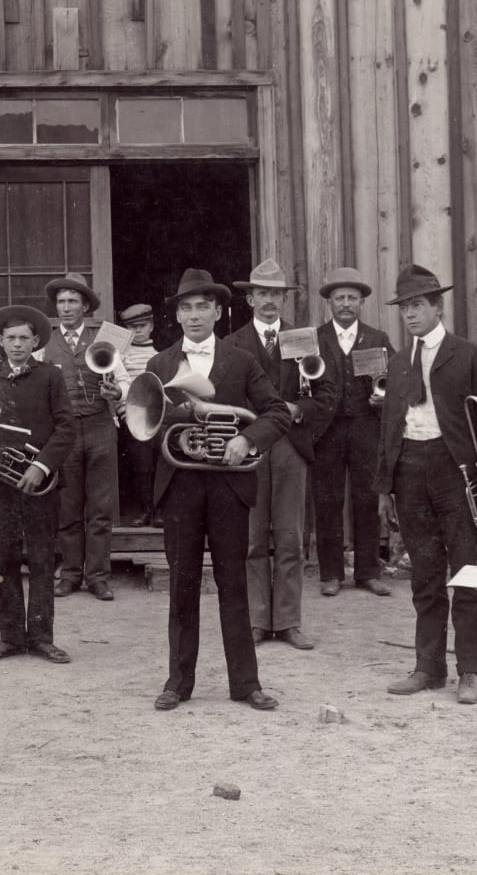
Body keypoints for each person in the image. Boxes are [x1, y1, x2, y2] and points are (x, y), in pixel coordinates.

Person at [144, 269, 291, 712]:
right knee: (182, 587)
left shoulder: (242, 359)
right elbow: (147, 427)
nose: (193, 316)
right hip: (181, 487)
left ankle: (246, 684)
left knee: (233, 585)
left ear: (219, 312)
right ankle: (178, 683)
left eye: (202, 306)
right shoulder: (160, 364)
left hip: (230, 487)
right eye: (185, 308)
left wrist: (246, 439)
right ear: (177, 316)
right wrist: (177, 422)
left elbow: (277, 412)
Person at [373, 264, 477, 706]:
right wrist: (384, 489)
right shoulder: (397, 361)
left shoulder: (469, 355)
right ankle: (429, 667)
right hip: (409, 469)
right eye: (404, 308)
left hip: (456, 472)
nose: (409, 315)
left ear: (437, 307)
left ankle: (469, 671)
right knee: (425, 575)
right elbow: (389, 427)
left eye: (417, 306)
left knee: (468, 573)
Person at [228, 259, 338, 650]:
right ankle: (258, 621)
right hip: (252, 446)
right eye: (262, 293)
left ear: (283, 299)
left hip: (291, 445)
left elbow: (327, 395)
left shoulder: (305, 339)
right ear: (249, 298)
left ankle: (289, 622)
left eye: (276, 294)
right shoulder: (234, 343)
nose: (269, 301)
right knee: (254, 538)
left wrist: (297, 411)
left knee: (290, 537)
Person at [0, 305, 78, 665]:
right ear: (0, 341)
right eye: (11, 338)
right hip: (1, 483)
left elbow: (66, 427)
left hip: (40, 481)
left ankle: (42, 637)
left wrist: (42, 465)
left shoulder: (51, 376)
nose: (17, 344)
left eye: (24, 338)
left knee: (43, 558)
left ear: (35, 341)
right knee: (5, 558)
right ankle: (11, 637)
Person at [311, 267, 394, 597]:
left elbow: (395, 383)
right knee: (327, 500)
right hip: (326, 432)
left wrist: (381, 400)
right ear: (329, 303)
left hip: (365, 428)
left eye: (352, 298)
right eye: (339, 298)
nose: (346, 304)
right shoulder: (314, 338)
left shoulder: (378, 339)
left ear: (362, 303)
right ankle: (331, 574)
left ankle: (368, 571)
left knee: (367, 498)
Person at [42, 272, 125, 601]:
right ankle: (71, 574)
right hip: (64, 432)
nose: (65, 307)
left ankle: (98, 577)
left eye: (72, 301)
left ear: (85, 305)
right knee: (68, 506)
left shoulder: (106, 337)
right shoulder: (43, 341)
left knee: (101, 508)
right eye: (61, 302)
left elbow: (126, 381)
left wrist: (117, 391)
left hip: (100, 426)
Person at [114, 303, 161, 526]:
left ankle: (159, 511)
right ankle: (145, 510)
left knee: (159, 464)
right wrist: (125, 410)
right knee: (141, 466)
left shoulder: (159, 356)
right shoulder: (120, 357)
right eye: (132, 328)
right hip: (131, 418)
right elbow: (118, 386)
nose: (138, 331)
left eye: (142, 326)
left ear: (151, 326)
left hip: (157, 418)